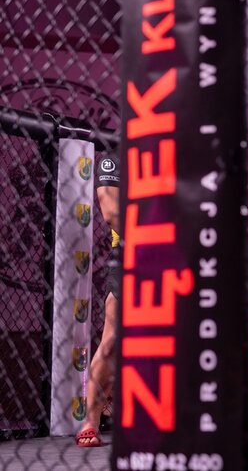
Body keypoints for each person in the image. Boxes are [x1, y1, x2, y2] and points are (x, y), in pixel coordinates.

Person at [75, 152, 121, 447]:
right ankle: (90, 421)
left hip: (176, 257)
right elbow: (111, 213)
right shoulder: (114, 162)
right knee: (112, 339)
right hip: (133, 254)